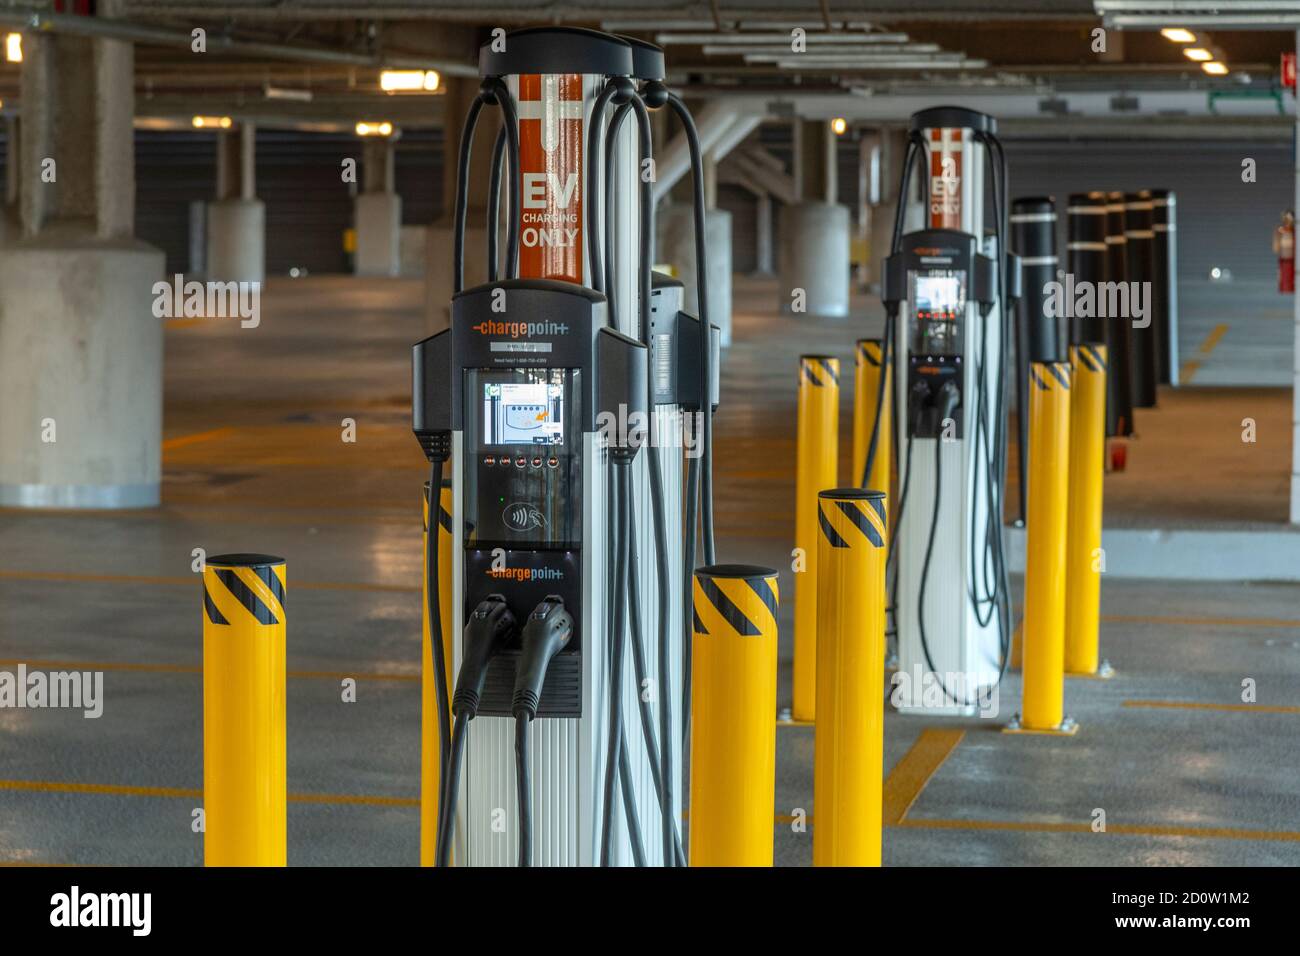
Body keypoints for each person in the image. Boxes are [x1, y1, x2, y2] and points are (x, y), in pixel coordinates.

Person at [1273, 209, 1294, 293]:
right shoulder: (1280, 230)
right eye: (1286, 218)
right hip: (1284, 260)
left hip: (1294, 261)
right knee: (1286, 284)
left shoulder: (1295, 231)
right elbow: (1276, 248)